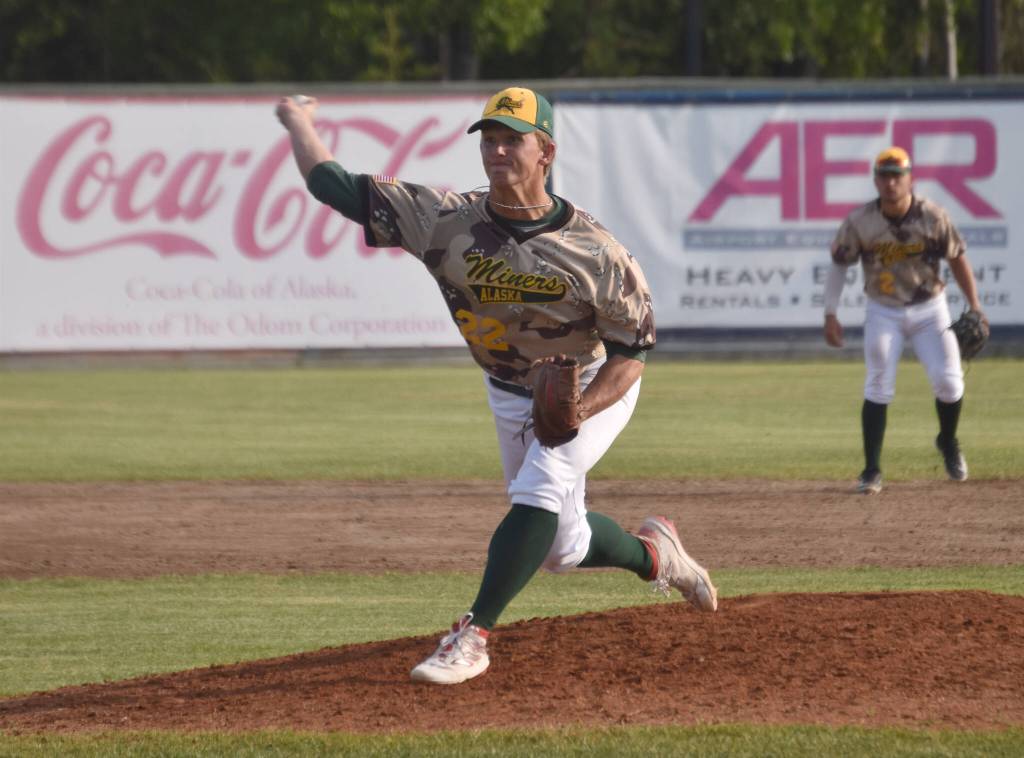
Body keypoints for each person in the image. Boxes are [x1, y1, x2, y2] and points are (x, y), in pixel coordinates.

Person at [275, 86, 717, 684]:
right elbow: (332, 184)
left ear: (547, 153)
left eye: (514, 139)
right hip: (509, 390)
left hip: (584, 383)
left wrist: (580, 408)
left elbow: (630, 357)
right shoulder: (444, 219)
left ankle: (473, 634)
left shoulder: (598, 253)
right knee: (562, 546)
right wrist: (297, 121)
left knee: (543, 479)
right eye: (490, 139)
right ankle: (658, 555)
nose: (498, 150)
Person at [823, 146, 986, 495]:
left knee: (949, 382)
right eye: (885, 176)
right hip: (884, 309)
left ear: (910, 179)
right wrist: (830, 311)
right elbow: (840, 263)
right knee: (878, 381)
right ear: (876, 180)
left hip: (930, 307)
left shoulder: (932, 216)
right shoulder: (861, 221)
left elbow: (957, 258)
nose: (891, 183)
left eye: (898, 176)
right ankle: (871, 470)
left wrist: (974, 305)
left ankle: (947, 440)